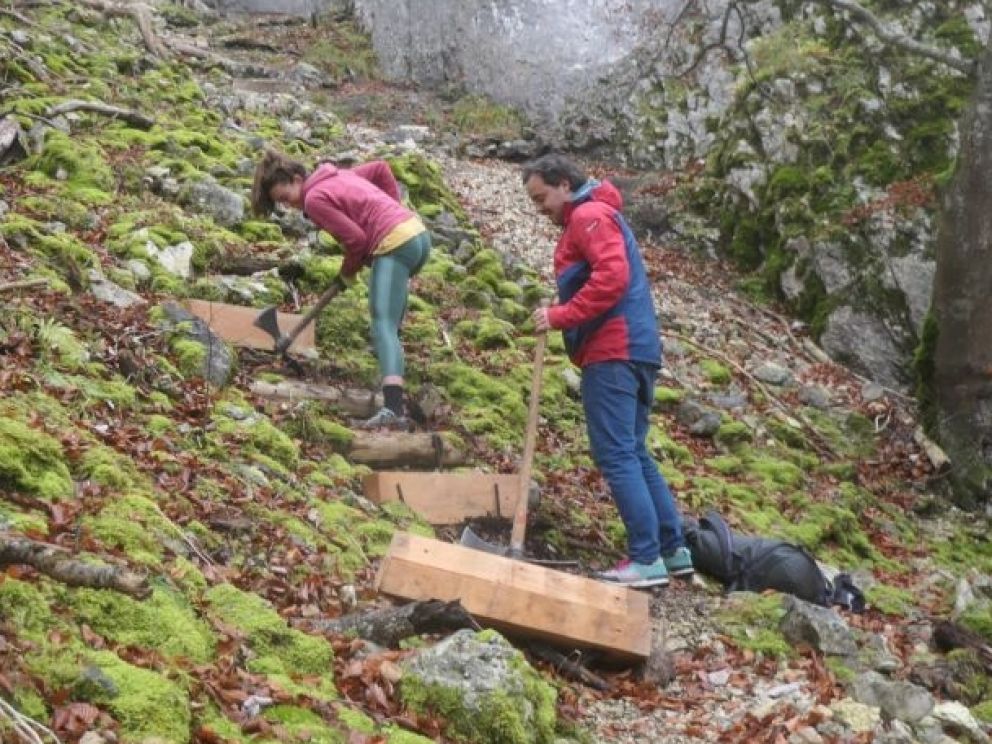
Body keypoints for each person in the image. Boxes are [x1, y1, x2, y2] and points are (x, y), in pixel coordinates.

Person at [522, 153, 692, 588]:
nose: (540, 208)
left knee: (616, 453)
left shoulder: (591, 216)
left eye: (542, 197)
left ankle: (645, 558)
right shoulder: (599, 214)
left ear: (563, 183)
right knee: (633, 450)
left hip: (613, 351)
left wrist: (560, 315)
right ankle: (673, 550)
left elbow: (611, 277)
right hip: (636, 349)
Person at [251, 150, 431, 430]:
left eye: (286, 198)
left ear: (298, 179)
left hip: (394, 242)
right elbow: (381, 169)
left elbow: (356, 241)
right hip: (418, 236)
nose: (289, 207)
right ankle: (393, 381)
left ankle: (393, 409)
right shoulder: (340, 175)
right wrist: (393, 211)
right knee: (390, 324)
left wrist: (347, 273)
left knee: (382, 324)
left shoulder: (314, 198)